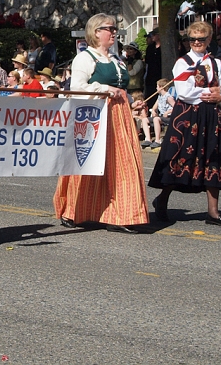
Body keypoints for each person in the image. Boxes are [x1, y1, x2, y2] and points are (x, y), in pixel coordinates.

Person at [53, 13, 149, 233]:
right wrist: (104, 89)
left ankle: (119, 214)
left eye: (115, 29)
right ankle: (73, 210)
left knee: (123, 165)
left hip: (120, 116)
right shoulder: (85, 58)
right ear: (96, 32)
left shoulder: (116, 59)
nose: (114, 33)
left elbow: (121, 89)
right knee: (87, 162)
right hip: (95, 115)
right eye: (110, 29)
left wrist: (133, 103)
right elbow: (77, 87)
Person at [147, 21, 221, 228]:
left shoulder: (215, 63)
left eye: (201, 39)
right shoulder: (183, 62)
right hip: (189, 116)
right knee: (180, 158)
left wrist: (220, 95)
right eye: (192, 39)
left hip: (212, 115)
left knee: (215, 159)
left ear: (208, 40)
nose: (196, 42)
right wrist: (210, 93)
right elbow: (185, 92)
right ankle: (162, 198)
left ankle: (213, 212)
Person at [149, 78, 175, 150]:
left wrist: (167, 112)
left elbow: (176, 107)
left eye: (157, 86)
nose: (156, 88)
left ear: (161, 87)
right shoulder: (159, 97)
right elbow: (154, 107)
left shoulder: (168, 97)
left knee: (156, 119)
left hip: (168, 117)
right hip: (161, 116)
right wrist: (153, 111)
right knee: (145, 120)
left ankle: (157, 140)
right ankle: (148, 139)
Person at [144, 29, 162, 98]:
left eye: (154, 35)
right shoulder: (150, 48)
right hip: (150, 75)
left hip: (160, 74)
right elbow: (147, 61)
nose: (152, 37)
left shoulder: (163, 48)